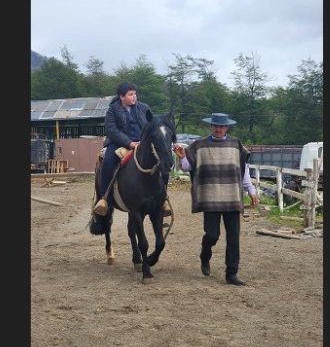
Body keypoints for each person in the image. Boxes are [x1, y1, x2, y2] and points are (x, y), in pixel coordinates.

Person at [173, 113, 258, 286]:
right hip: (210, 196)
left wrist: (250, 189)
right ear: (211, 126)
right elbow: (189, 167)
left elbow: (243, 169)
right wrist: (182, 157)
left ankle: (231, 273)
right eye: (215, 126)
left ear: (227, 127)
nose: (218, 129)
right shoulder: (199, 145)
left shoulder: (236, 145)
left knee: (233, 237)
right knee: (212, 234)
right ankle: (205, 255)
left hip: (232, 197)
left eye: (222, 126)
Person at [94, 82, 171, 216]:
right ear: (122, 97)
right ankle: (104, 198)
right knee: (108, 162)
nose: (134, 97)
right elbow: (112, 131)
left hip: (142, 142)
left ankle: (163, 199)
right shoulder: (112, 110)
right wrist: (129, 143)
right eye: (130, 94)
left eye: (135, 94)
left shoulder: (144, 108)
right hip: (118, 143)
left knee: (163, 163)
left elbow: (152, 125)